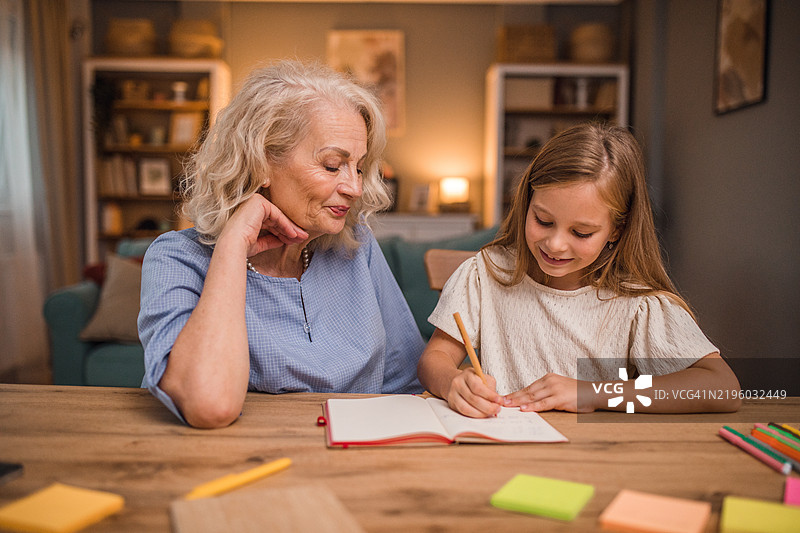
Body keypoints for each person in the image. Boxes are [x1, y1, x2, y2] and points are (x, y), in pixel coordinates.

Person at [139, 61, 424, 428]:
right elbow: (209, 404)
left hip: (357, 462)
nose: (354, 187)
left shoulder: (356, 247)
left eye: (359, 166)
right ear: (262, 161)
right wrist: (233, 246)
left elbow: (409, 384)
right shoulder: (176, 259)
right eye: (333, 165)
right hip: (242, 464)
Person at [417, 122, 741, 418]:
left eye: (581, 233)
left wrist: (593, 393)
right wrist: (453, 382)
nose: (555, 244)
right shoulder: (484, 275)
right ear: (527, 201)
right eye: (543, 220)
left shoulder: (636, 303)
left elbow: (721, 387)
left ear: (617, 229)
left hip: (595, 461)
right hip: (502, 454)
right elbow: (434, 359)